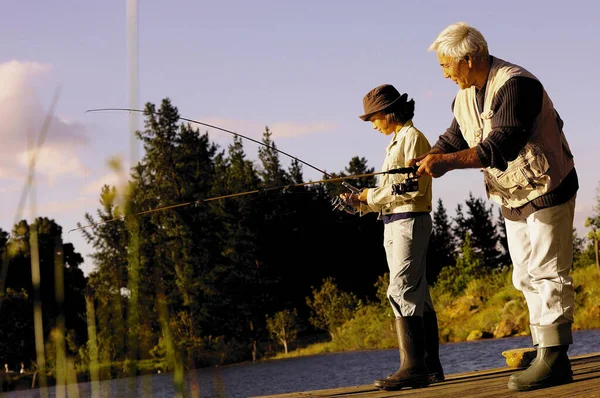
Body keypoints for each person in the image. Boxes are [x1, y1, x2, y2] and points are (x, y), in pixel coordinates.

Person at [412, 22, 578, 392]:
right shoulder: (465, 94)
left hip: (548, 185)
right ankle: (543, 347)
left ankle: (556, 358)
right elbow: (456, 135)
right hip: (512, 195)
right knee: (524, 274)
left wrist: (447, 163)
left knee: (547, 270)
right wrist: (431, 156)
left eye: (446, 65)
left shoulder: (517, 85)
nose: (444, 73)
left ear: (469, 59)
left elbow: (499, 146)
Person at [342, 83, 444, 390]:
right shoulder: (398, 141)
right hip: (396, 222)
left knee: (400, 290)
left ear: (388, 113)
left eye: (373, 118)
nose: (372, 124)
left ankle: (413, 368)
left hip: (408, 222)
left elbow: (411, 187)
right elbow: (395, 191)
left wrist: (367, 196)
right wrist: (360, 203)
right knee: (418, 293)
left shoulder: (412, 139)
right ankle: (430, 367)